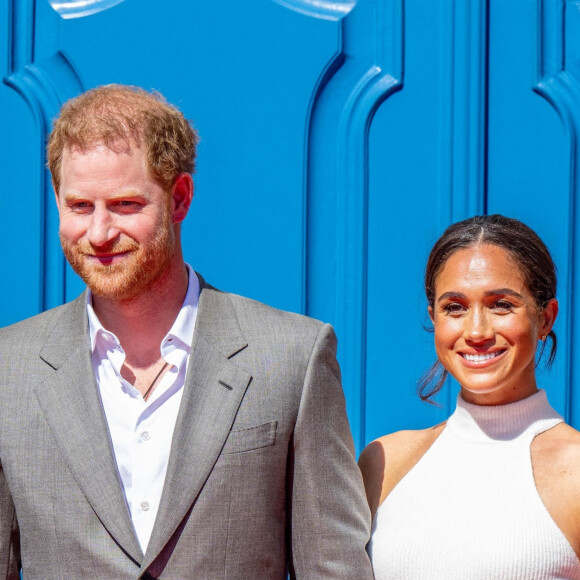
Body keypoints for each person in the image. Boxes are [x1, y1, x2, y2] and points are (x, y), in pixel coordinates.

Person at [0, 84, 373, 579]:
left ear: (179, 198)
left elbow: (333, 568)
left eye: (126, 204)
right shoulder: (9, 369)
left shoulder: (292, 357)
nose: (99, 233)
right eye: (79, 207)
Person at [359, 214, 580, 579]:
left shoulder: (574, 471)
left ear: (546, 318)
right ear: (434, 318)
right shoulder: (383, 463)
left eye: (501, 304)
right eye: (455, 308)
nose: (476, 331)